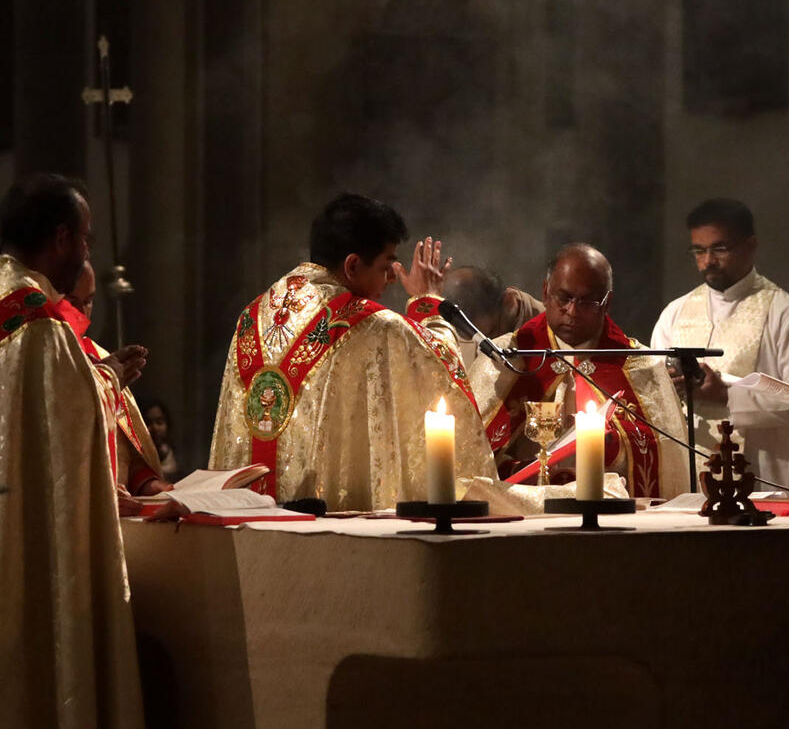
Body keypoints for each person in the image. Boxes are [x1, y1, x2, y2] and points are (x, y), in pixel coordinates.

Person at [0, 174, 151, 729]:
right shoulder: (41, 328)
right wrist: (107, 381)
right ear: (61, 239)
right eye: (86, 237)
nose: (89, 249)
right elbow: (69, 457)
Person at [209, 193, 494, 509]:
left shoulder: (251, 316)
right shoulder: (372, 325)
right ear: (353, 265)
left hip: (246, 519)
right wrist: (427, 302)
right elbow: (441, 367)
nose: (391, 279)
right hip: (325, 524)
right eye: (386, 265)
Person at [467, 243, 689, 498]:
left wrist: (613, 449)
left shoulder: (639, 366)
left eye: (587, 301)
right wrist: (526, 471)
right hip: (524, 503)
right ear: (545, 292)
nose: (572, 312)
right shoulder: (506, 357)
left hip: (608, 506)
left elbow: (663, 463)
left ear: (606, 303)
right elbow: (472, 454)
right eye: (564, 298)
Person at [650, 198, 789, 491]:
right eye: (699, 250)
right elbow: (654, 394)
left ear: (750, 246)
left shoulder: (787, 314)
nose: (708, 260)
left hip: (761, 473)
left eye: (719, 248)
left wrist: (727, 395)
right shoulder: (675, 313)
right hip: (689, 475)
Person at [59, 260, 171, 496]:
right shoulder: (46, 362)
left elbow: (126, 451)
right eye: (71, 302)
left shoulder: (100, 356)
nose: (81, 313)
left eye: (88, 301)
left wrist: (148, 484)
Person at [441, 264, 543, 366]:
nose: (482, 343)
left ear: (510, 301)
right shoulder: (455, 332)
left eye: (491, 332)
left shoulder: (549, 330)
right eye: (472, 338)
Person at [141, 396, 183, 482]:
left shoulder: (175, 456)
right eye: (148, 423)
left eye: (159, 422)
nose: (155, 428)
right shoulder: (137, 461)